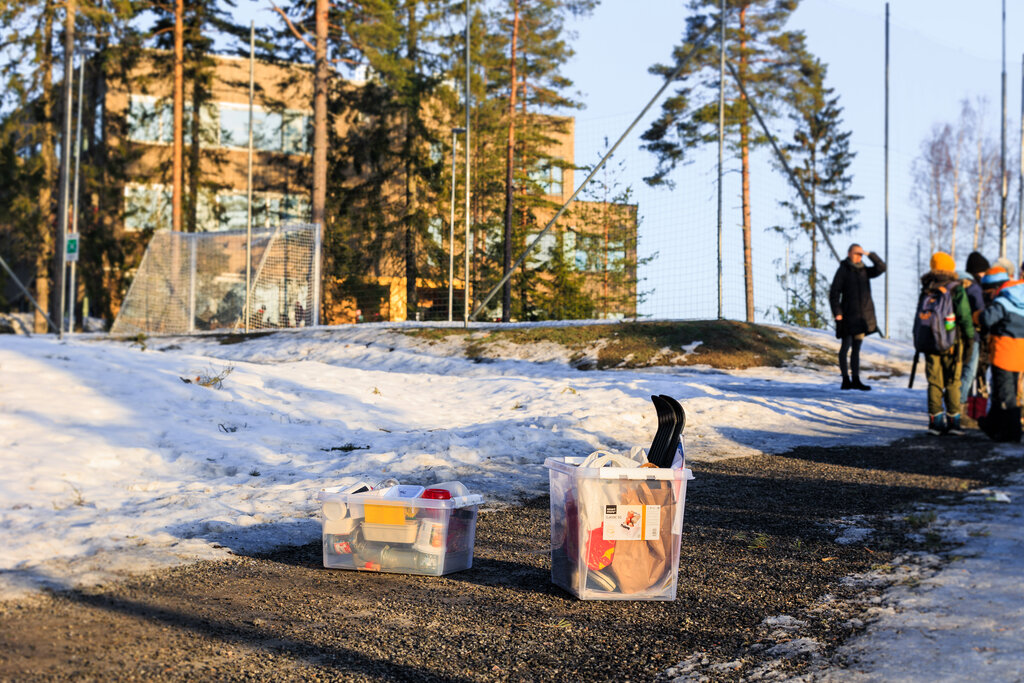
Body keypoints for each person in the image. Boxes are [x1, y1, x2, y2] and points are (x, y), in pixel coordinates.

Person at [917, 252, 975, 435]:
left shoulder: (927, 287)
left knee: (934, 382)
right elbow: (965, 316)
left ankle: (935, 421)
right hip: (952, 344)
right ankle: (953, 422)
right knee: (952, 381)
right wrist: (969, 339)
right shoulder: (956, 288)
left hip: (930, 342)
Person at [829, 244, 886, 390]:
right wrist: (838, 313)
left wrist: (869, 254)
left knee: (856, 349)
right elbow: (834, 293)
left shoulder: (864, 271)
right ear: (849, 253)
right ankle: (845, 380)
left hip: (862, 319)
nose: (858, 256)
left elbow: (882, 267)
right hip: (847, 317)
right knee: (845, 347)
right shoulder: (843, 270)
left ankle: (856, 380)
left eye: (860, 254)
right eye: (856, 253)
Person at [977, 266, 1024, 442]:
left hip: (1003, 353)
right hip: (1020, 353)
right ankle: (992, 425)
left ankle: (1012, 433)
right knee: (1003, 391)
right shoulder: (1020, 296)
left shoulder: (1004, 300)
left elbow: (987, 319)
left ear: (995, 287)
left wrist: (978, 316)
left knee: (1005, 395)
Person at [959, 251, 989, 407]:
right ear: (979, 271)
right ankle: (961, 406)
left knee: (960, 371)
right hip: (973, 335)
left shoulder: (959, 284)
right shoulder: (975, 287)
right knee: (970, 371)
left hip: (955, 335)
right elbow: (980, 310)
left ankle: (957, 406)